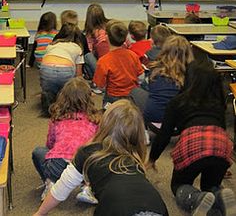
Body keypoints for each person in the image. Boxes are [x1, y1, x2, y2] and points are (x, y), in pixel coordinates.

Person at [33, 99, 169, 216]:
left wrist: (40, 213)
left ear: (104, 124)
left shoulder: (88, 153)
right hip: (157, 207)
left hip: (116, 208)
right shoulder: (135, 157)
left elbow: (60, 190)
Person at [149, 61, 236, 216]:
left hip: (194, 143)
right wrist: (225, 161)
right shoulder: (218, 102)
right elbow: (221, 127)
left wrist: (152, 159)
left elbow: (164, 134)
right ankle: (219, 195)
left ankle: (196, 199)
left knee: (179, 185)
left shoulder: (177, 102)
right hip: (221, 144)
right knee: (210, 184)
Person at [32, 77, 100, 201]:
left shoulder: (57, 118)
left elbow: (50, 143)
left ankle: (51, 183)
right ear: (88, 98)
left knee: (38, 152)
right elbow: (98, 144)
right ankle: (87, 188)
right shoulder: (95, 120)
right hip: (84, 166)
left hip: (58, 163)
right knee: (94, 157)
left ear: (63, 97)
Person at [130, 35, 194, 123]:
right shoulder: (193, 73)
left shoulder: (155, 69)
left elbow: (147, 87)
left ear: (164, 50)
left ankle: (138, 126)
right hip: (181, 118)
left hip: (154, 116)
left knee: (134, 91)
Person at [93, 20, 144, 105]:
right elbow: (141, 77)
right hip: (132, 96)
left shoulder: (104, 61)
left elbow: (100, 86)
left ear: (107, 37)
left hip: (113, 97)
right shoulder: (133, 55)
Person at [40, 23, 84, 116]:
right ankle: (65, 106)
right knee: (67, 88)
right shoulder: (77, 48)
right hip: (66, 70)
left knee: (48, 90)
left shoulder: (51, 45)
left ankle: (48, 106)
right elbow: (78, 74)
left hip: (46, 69)